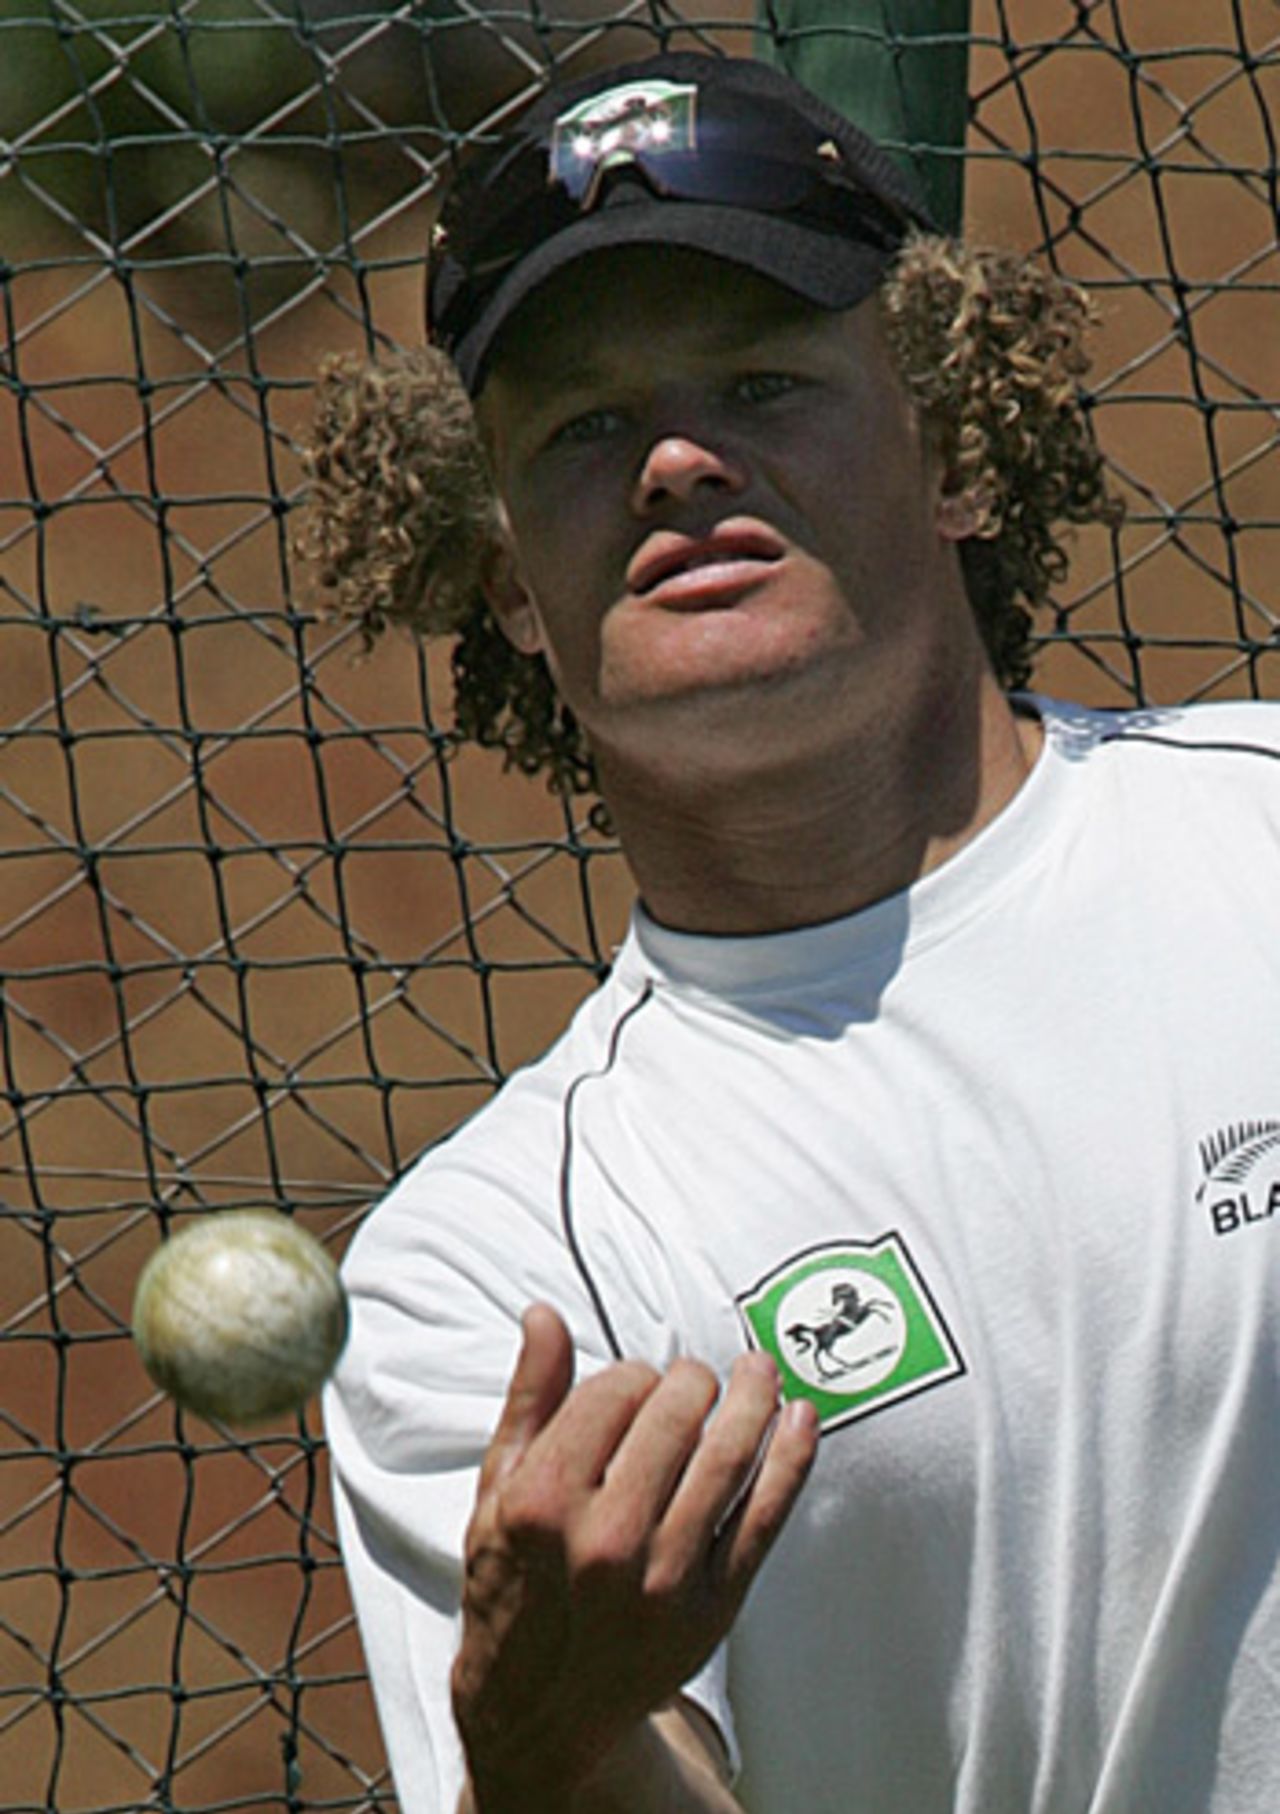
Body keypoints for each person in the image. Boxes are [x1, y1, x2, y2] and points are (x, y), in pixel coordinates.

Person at [311, 48, 1280, 1814]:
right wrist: (543, 1739)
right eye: (586, 427)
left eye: (763, 380)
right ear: (507, 584)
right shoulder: (490, 1275)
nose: (680, 459)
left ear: (960, 453)